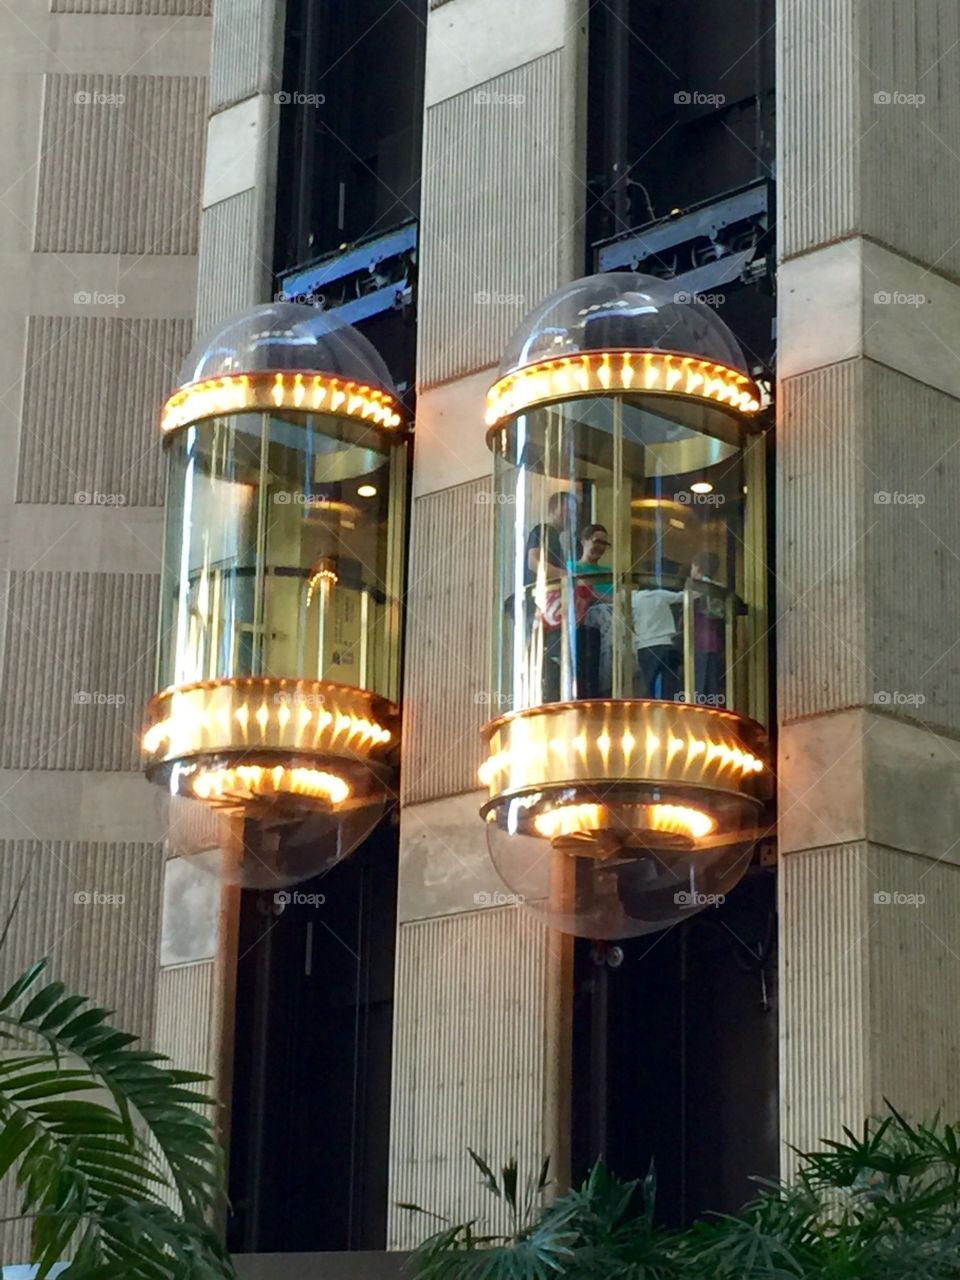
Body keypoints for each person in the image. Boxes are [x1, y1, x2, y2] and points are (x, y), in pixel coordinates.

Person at [524, 491, 579, 702]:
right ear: (555, 509)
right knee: (540, 651)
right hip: (539, 601)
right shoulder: (544, 531)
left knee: (547, 653)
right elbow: (534, 562)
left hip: (546, 603)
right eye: (568, 510)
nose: (571, 516)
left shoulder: (558, 538)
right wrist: (566, 576)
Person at [574, 524, 613, 696]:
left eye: (604, 544)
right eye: (597, 541)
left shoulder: (608, 572)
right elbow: (580, 593)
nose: (600, 547)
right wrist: (604, 598)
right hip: (585, 618)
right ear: (584, 541)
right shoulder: (572, 567)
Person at [631, 577, 685, 701]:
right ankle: (669, 705)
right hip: (665, 644)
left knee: (647, 683)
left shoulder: (634, 599)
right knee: (670, 683)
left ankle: (648, 706)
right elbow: (683, 597)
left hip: (644, 646)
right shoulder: (661, 595)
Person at [690, 550, 725, 704]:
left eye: (692, 567)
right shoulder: (720, 588)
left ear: (698, 567)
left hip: (700, 641)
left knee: (699, 685)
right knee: (712, 685)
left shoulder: (696, 588)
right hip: (716, 641)